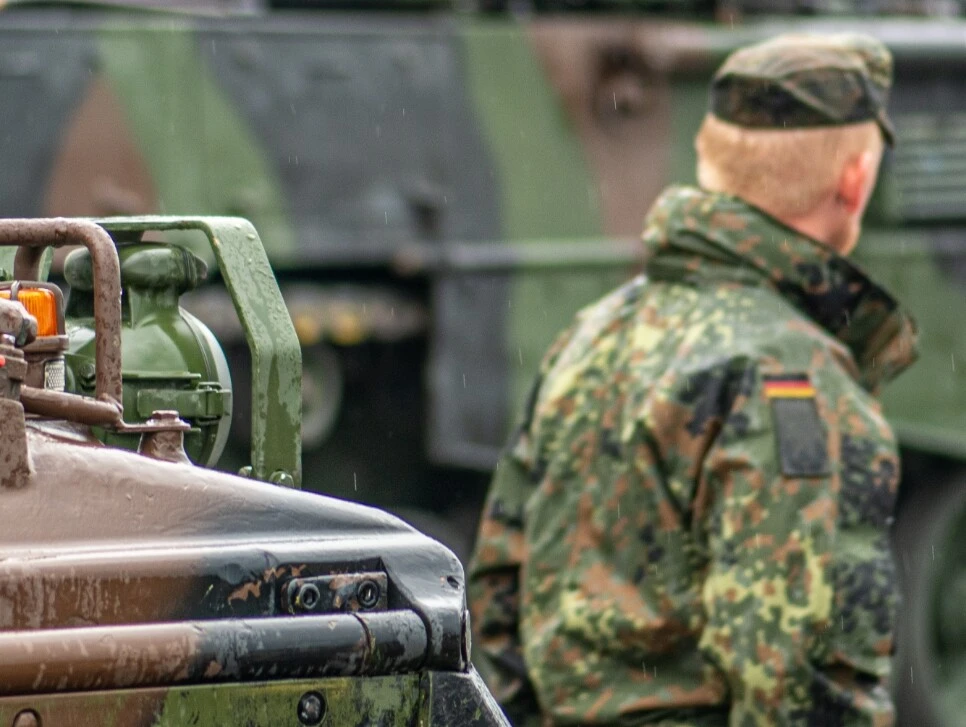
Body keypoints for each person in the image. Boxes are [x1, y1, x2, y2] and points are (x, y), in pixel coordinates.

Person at [467, 32, 919, 726]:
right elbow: (797, 678)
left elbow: (499, 595)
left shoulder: (597, 330)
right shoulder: (791, 374)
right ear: (855, 179)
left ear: (710, 162)